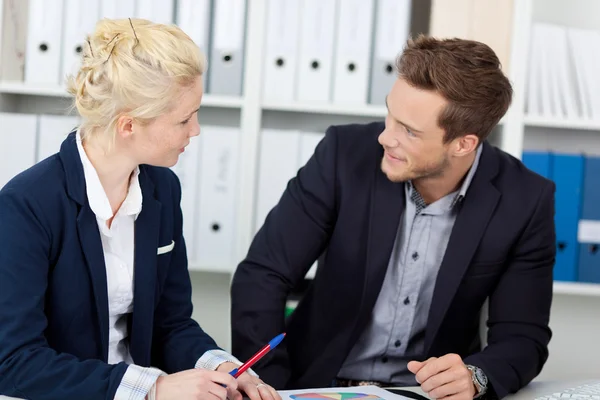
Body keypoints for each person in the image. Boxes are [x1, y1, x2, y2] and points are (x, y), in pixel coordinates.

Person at [231, 35, 555, 400]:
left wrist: (476, 376)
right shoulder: (342, 154)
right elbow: (262, 274)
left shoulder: (526, 199)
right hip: (316, 384)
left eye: (409, 131)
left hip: (425, 395)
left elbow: (522, 337)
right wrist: (270, 385)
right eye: (390, 115)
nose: (386, 137)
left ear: (464, 143)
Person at [0, 18, 280, 400]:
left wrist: (220, 367)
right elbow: (15, 362)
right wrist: (154, 387)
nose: (195, 130)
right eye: (184, 118)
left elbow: (171, 323)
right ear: (128, 125)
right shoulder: (27, 206)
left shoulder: (161, 189)